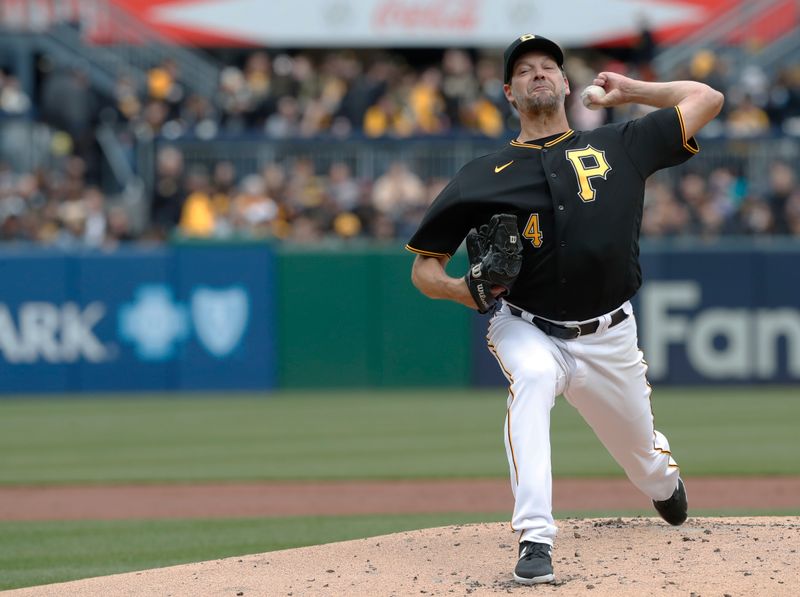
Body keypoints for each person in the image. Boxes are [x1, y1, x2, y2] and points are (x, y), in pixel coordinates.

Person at [406, 34, 723, 585]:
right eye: (524, 70)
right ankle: (535, 537)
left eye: (548, 66)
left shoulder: (620, 144)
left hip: (610, 336)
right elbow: (423, 269)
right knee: (529, 378)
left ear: (566, 83)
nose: (538, 74)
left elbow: (707, 98)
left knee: (643, 461)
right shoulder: (482, 177)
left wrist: (633, 92)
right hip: (526, 326)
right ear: (509, 92)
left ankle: (661, 482)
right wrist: (465, 290)